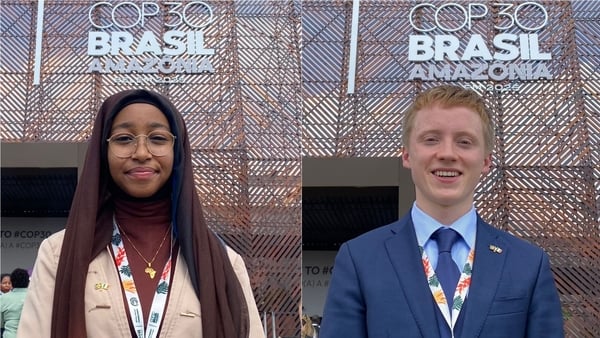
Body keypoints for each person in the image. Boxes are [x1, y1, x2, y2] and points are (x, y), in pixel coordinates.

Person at [319, 85, 564, 338]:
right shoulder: (359, 259)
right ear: (406, 155)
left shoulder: (528, 264)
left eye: (464, 142)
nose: (447, 153)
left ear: (486, 161)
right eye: (431, 139)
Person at [17, 89, 265, 338]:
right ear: (102, 151)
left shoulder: (222, 262)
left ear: (177, 150)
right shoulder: (59, 254)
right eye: (124, 139)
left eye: (157, 138)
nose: (142, 153)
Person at [0, 268, 29, 338]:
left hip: (10, 335)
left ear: (12, 282)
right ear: (28, 282)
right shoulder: (35, 297)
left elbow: (0, 323)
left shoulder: (2, 298)